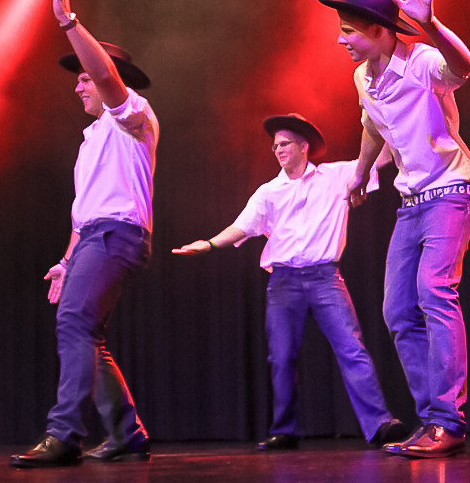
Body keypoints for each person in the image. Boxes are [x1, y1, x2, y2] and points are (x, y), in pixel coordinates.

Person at [318, 0, 470, 459]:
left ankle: (449, 422)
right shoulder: (361, 77)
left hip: (451, 190)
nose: (341, 40)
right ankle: (431, 418)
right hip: (411, 203)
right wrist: (361, 172)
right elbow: (372, 126)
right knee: (397, 311)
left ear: (378, 31)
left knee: (435, 291)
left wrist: (429, 22)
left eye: (349, 31)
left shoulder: (423, 61)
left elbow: (464, 68)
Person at [173, 113, 406, 452]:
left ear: (303, 146)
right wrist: (209, 244)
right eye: (275, 146)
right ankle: (285, 431)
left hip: (325, 277)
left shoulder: (336, 176)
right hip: (284, 281)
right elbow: (242, 227)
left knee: (352, 349)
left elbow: (380, 156)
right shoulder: (269, 192)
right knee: (281, 357)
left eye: (284, 144)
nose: (278, 150)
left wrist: (387, 116)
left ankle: (380, 424)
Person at [11, 0, 157, 467]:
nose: (77, 86)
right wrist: (67, 260)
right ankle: (126, 434)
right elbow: (83, 214)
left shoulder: (133, 115)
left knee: (74, 324)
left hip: (119, 236)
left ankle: (65, 434)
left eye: (83, 77)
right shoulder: (91, 139)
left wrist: (69, 22)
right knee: (87, 334)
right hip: (96, 238)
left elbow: (109, 79)